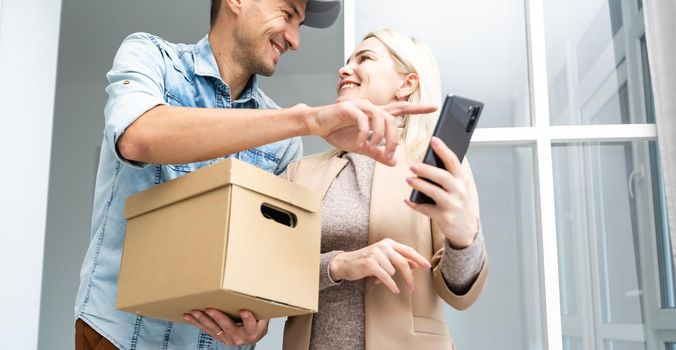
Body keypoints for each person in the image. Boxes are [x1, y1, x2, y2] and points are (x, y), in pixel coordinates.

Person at [74, 0, 437, 348]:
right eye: (287, 14)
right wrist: (305, 120)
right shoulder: (151, 57)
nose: (295, 40)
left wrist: (258, 316)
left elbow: (266, 266)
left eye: (300, 24)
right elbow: (139, 137)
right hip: (120, 338)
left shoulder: (283, 146)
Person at [282, 29, 488, 349]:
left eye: (364, 58)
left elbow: (460, 294)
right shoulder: (301, 171)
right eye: (348, 60)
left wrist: (464, 240)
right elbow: (272, 272)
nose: (345, 68)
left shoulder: (436, 165)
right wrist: (338, 265)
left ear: (406, 84)